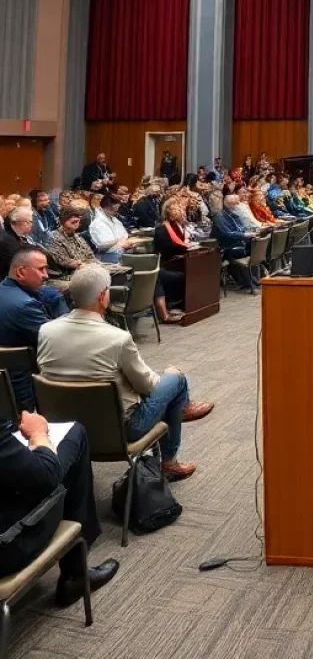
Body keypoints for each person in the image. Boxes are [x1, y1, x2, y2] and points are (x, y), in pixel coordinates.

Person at [36, 265, 214, 481]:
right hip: (117, 432)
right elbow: (148, 386)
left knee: (164, 389)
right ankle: (169, 458)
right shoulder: (117, 338)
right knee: (175, 378)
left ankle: (179, 412)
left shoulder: (46, 331)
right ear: (103, 296)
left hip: (63, 428)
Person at [0, 411, 119, 605]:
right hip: (7, 549)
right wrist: (38, 434)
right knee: (75, 436)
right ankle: (76, 574)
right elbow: (45, 476)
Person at [0, 247, 55, 410]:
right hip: (21, 385)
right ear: (21, 272)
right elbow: (56, 340)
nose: (46, 275)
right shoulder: (25, 305)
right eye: (41, 269)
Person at [212, 195, 256, 289]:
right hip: (225, 247)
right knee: (245, 249)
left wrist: (248, 233)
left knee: (255, 244)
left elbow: (241, 228)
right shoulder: (219, 217)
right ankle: (246, 280)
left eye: (237, 203)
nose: (237, 205)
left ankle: (248, 279)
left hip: (236, 243)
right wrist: (244, 235)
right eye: (235, 203)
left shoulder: (233, 214)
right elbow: (227, 234)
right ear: (228, 204)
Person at [45, 207, 98, 286]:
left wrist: (92, 264)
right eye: (73, 222)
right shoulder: (53, 237)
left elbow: (90, 255)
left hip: (86, 268)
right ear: (63, 222)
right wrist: (82, 265)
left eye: (77, 221)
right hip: (66, 275)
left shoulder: (78, 237)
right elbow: (63, 260)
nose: (77, 224)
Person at [89, 195, 141, 263]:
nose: (117, 213)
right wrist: (122, 242)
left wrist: (130, 239)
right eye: (115, 211)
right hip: (108, 256)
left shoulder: (114, 219)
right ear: (108, 207)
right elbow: (102, 245)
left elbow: (124, 235)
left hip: (120, 251)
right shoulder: (97, 223)